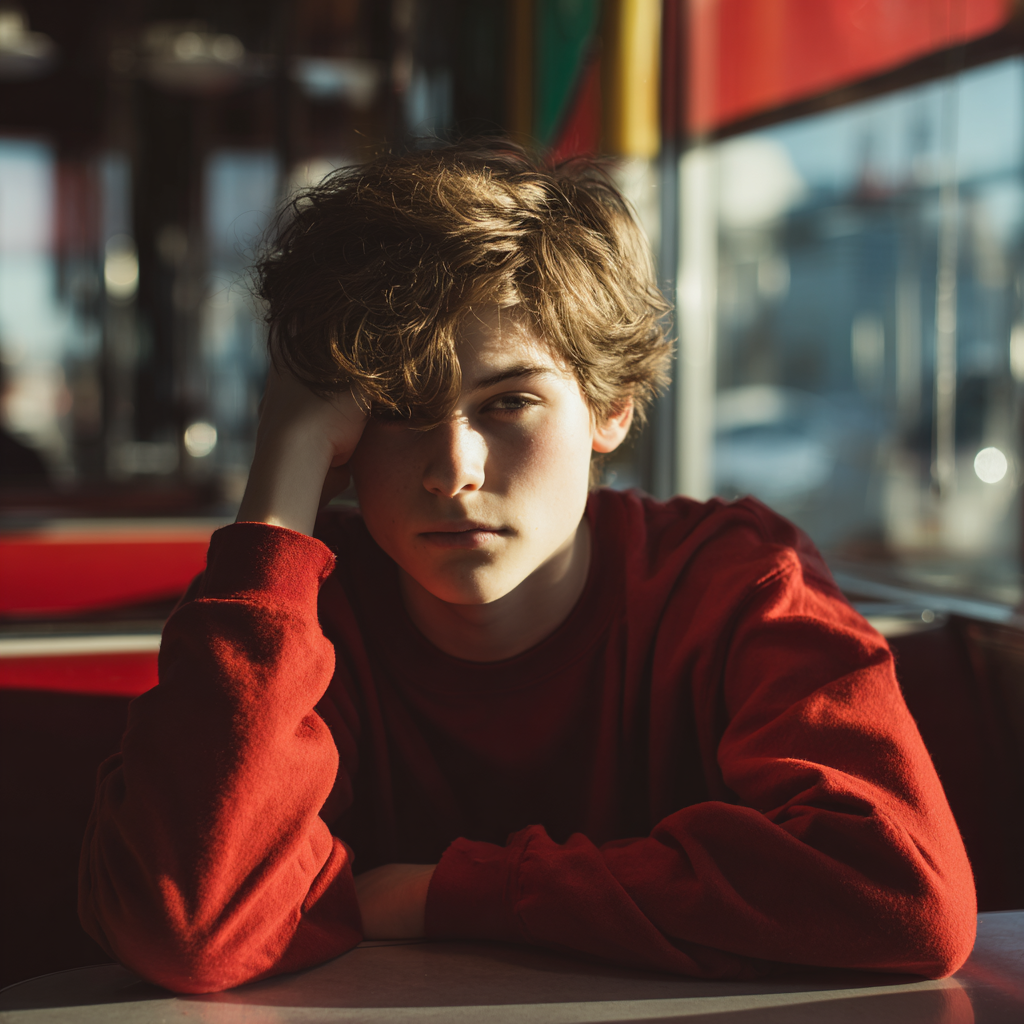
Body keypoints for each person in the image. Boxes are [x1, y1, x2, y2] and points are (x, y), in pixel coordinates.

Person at [78, 141, 976, 994]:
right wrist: (282, 468)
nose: (454, 468)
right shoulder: (297, 615)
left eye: (509, 402)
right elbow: (185, 925)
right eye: (396, 408)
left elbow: (903, 896)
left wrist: (444, 894)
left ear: (610, 407)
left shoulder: (731, 580)